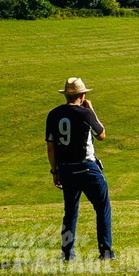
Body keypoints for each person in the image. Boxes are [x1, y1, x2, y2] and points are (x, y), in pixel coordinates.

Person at [45, 77, 115, 261]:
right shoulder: (85, 113)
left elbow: (50, 147)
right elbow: (101, 135)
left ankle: (67, 254)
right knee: (102, 209)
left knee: (70, 212)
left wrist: (55, 171)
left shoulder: (53, 114)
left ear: (66, 95)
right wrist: (90, 110)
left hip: (66, 169)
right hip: (87, 168)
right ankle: (105, 252)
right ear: (82, 95)